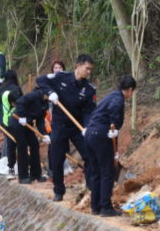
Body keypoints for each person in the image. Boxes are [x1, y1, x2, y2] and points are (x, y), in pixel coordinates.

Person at [36, 54, 97, 202]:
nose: (89, 72)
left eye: (90, 69)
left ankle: (92, 189)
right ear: (78, 66)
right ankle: (59, 191)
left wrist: (87, 127)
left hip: (77, 127)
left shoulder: (89, 89)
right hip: (59, 125)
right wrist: (50, 93)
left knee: (90, 156)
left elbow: (89, 111)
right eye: (87, 68)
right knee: (56, 159)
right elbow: (40, 80)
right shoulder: (61, 77)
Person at [85, 76, 136, 216]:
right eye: (132, 92)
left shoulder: (111, 95)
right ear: (130, 90)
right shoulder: (117, 99)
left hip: (90, 134)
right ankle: (106, 208)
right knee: (107, 172)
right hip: (101, 136)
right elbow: (114, 109)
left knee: (96, 171)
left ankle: (96, 207)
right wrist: (114, 128)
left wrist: (115, 149)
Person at [10, 88, 50, 184]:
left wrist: (44, 134)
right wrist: (22, 116)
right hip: (17, 122)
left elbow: (40, 121)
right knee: (22, 146)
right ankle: (23, 176)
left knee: (35, 145)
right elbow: (19, 102)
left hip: (27, 124)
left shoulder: (45, 104)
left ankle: (35, 174)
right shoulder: (35, 95)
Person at [0, 70, 20, 177]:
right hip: (13, 118)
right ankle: (7, 160)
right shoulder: (17, 89)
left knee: (7, 138)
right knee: (10, 140)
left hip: (2, 118)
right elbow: (21, 103)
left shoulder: (0, 89)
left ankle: (6, 159)